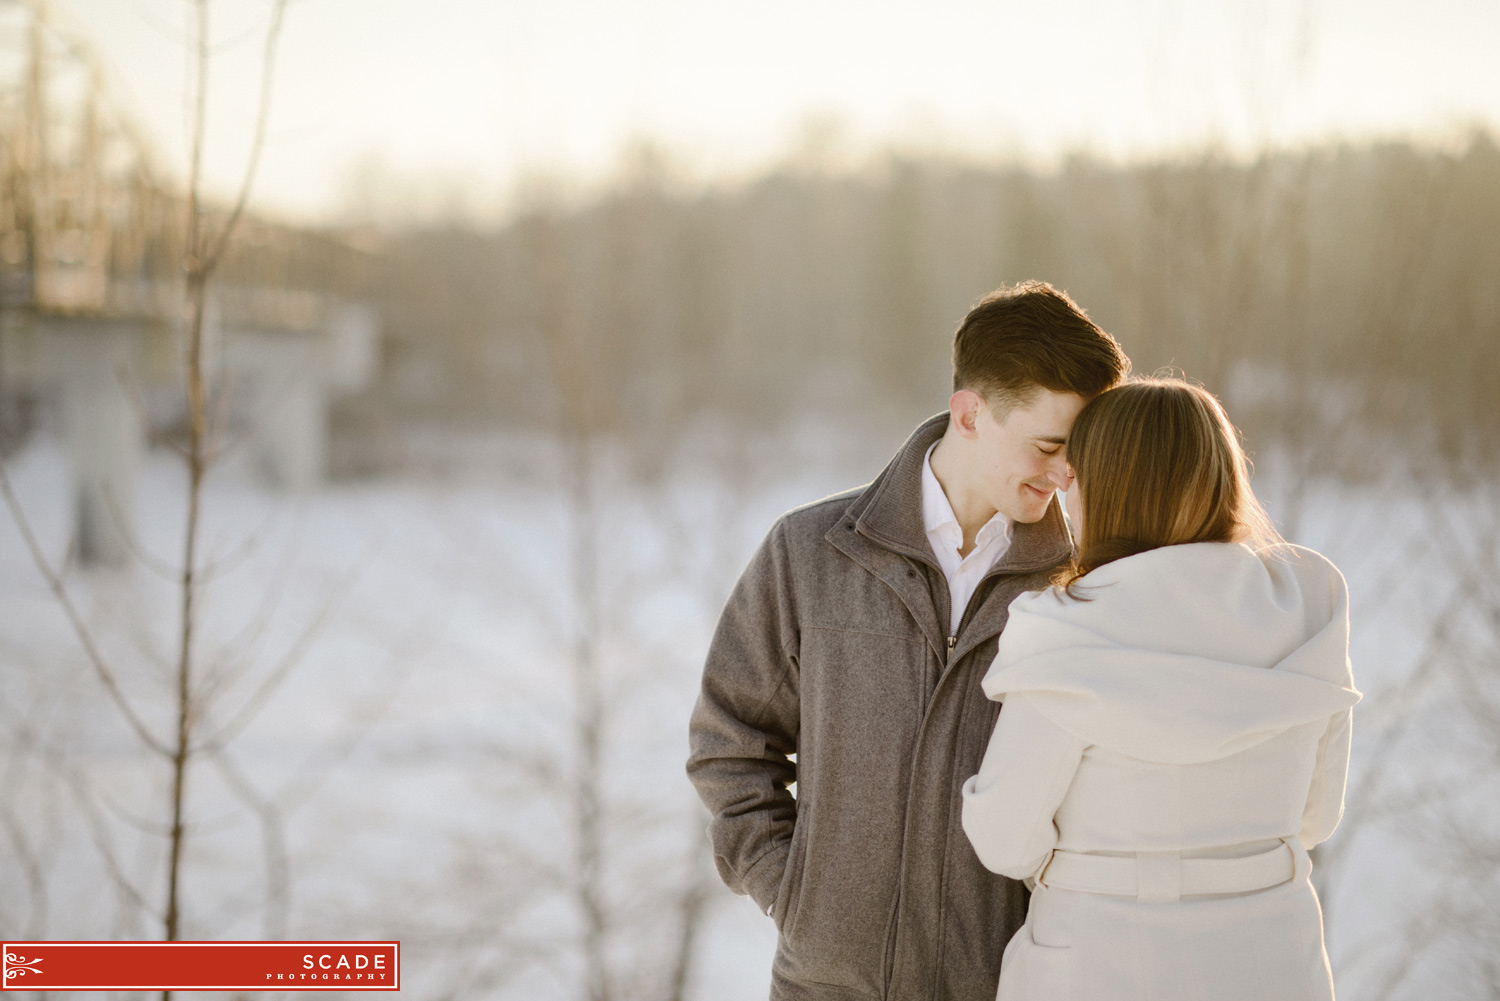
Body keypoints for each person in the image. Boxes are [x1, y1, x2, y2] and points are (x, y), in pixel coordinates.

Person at [687, 281, 1130, 1001]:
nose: (1064, 473)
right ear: (970, 414)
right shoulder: (812, 554)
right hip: (824, 985)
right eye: (1048, 445)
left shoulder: (1073, 588)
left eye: (1074, 452)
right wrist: (793, 894)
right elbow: (727, 742)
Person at [961, 378, 1361, 1001]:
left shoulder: (1066, 628)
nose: (1065, 484)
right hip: (1271, 956)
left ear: (1113, 487)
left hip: (1100, 958)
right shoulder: (1310, 604)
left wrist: (1089, 866)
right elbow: (1318, 814)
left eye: (1079, 470)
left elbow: (1005, 838)